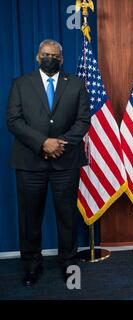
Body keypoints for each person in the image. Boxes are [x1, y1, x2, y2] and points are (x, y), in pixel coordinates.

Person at [6, 39, 90, 286]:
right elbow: (13, 120)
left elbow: (83, 120)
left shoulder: (76, 84)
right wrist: (43, 142)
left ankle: (68, 264)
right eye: (45, 54)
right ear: (37, 57)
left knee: (67, 217)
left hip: (66, 162)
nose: (50, 58)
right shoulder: (21, 84)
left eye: (54, 55)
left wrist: (59, 143)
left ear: (62, 59)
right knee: (30, 217)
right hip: (29, 162)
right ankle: (32, 265)